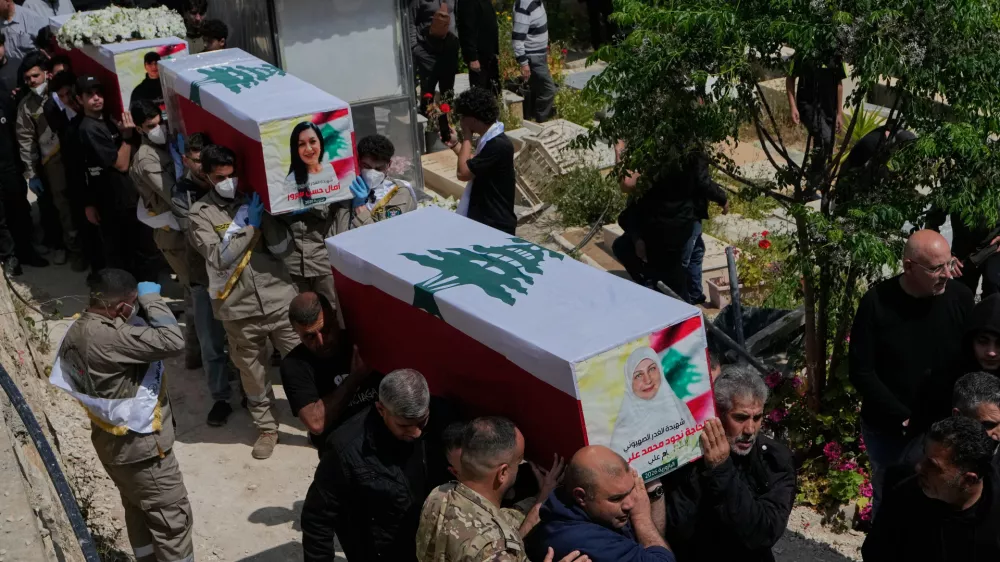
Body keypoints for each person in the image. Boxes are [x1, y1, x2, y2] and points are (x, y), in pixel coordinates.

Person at [51, 269, 193, 562]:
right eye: (132, 304)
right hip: (144, 456)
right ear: (122, 307)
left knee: (139, 514)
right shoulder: (111, 338)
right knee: (172, 526)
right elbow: (172, 340)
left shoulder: (79, 330)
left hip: (113, 448)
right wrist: (152, 299)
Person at [849, 229, 974, 515]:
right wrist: (902, 416)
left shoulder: (960, 297)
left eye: (948, 263)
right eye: (936, 268)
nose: (946, 274)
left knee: (941, 500)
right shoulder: (876, 303)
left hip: (944, 426)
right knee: (890, 497)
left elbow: (969, 361)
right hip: (889, 428)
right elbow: (861, 370)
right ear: (908, 267)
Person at [187, 144, 299, 459]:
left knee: (301, 364)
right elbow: (219, 257)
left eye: (232, 174)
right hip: (237, 307)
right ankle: (267, 428)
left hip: (278, 297)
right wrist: (251, 227)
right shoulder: (200, 214)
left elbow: (283, 249)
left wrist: (271, 217)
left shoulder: (254, 198)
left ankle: (313, 420)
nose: (228, 181)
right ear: (207, 177)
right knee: (253, 372)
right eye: (220, 176)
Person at [300, 369, 456, 562]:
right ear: (381, 410)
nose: (416, 433)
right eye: (404, 426)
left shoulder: (443, 419)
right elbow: (318, 517)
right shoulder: (346, 449)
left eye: (422, 422)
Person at [663, 365, 796, 562]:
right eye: (740, 418)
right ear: (717, 415)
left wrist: (722, 469)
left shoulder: (775, 460)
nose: (750, 429)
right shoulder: (689, 456)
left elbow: (763, 532)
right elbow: (677, 528)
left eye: (757, 418)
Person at [416, 416, 570, 562]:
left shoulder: (440, 495)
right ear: (502, 472)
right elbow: (495, 540)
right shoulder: (496, 551)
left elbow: (499, 522)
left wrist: (540, 499)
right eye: (518, 462)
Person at [862, 416, 1000, 561]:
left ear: (968, 480)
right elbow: (876, 553)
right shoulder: (905, 496)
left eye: (933, 466)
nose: (919, 467)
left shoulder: (995, 517)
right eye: (924, 455)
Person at [524, 445, 675, 562]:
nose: (630, 503)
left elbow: (649, 546)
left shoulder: (582, 510)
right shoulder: (586, 541)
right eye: (616, 498)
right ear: (581, 496)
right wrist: (641, 517)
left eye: (631, 490)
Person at [76, 75, 160, 281]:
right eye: (90, 95)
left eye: (99, 93)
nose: (96, 98)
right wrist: (127, 138)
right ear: (79, 99)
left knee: (143, 251)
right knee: (128, 254)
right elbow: (120, 164)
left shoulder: (105, 121)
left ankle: (145, 294)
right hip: (114, 202)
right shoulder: (89, 128)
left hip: (128, 197)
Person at [174, 132, 233, 426]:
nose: (199, 167)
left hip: (235, 276)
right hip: (203, 278)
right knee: (211, 344)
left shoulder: (231, 188)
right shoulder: (183, 193)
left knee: (241, 340)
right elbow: (200, 238)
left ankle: (248, 392)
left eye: (203, 160)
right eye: (195, 161)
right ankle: (221, 397)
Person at [280, 291, 381, 455]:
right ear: (296, 332)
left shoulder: (361, 339)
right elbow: (316, 423)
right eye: (310, 336)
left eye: (325, 330)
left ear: (334, 317)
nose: (321, 341)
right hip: (341, 453)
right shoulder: (294, 365)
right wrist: (354, 378)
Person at [16, 52, 80, 267]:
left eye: (35, 76)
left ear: (46, 74)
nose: (32, 81)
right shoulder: (26, 106)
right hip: (53, 162)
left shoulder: (62, 93)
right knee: (62, 208)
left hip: (77, 155)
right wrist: (31, 173)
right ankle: (71, 249)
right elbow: (25, 141)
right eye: (27, 79)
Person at [611, 148, 698, 302]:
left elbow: (627, 183)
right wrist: (637, 239)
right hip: (659, 229)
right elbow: (630, 215)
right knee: (622, 246)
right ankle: (653, 284)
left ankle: (687, 306)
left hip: (671, 231)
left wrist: (619, 149)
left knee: (675, 281)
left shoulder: (665, 162)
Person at [128, 99, 188, 286]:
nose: (159, 128)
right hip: (173, 230)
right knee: (195, 285)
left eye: (160, 122)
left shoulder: (166, 145)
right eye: (151, 126)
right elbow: (174, 197)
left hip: (181, 223)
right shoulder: (147, 160)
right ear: (139, 129)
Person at [445, 87, 516, 234]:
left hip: (495, 224)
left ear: (472, 118)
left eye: (463, 116)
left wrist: (466, 136)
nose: (461, 121)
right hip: (485, 220)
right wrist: (455, 145)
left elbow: (463, 173)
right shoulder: (491, 140)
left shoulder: (497, 144)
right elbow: (474, 163)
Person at [610, 347, 697, 464]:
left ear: (660, 370)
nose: (648, 380)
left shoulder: (678, 406)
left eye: (651, 369)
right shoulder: (622, 430)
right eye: (638, 376)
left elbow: (695, 446)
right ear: (629, 383)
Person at [786, 55, 847, 195]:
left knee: (827, 145)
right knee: (824, 139)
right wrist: (793, 107)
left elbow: (839, 84)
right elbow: (790, 78)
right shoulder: (804, 52)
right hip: (807, 106)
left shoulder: (835, 53)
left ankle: (817, 183)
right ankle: (813, 181)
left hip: (829, 109)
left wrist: (839, 113)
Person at [341, 134, 418, 230]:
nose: (372, 173)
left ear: (389, 165)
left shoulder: (399, 193)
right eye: (367, 166)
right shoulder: (346, 186)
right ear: (358, 162)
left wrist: (360, 207)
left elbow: (386, 236)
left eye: (379, 168)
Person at [686, 154, 728, 304]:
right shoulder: (694, 150)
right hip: (688, 212)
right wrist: (722, 198)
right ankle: (680, 300)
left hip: (687, 211)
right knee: (684, 257)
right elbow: (703, 181)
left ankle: (695, 294)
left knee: (697, 252)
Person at [409, 0, 459, 116]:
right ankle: (429, 126)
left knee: (448, 92)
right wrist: (415, 47)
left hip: (449, 50)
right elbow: (411, 21)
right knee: (427, 92)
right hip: (427, 51)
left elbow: (458, 16)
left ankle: (447, 125)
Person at [512, 0, 556, 122]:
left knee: (538, 88)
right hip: (533, 56)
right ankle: (541, 119)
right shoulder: (524, 6)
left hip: (540, 55)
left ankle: (532, 117)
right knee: (548, 90)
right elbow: (517, 40)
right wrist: (524, 63)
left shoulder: (538, 2)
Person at [456, 0, 500, 94]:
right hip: (478, 57)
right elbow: (466, 30)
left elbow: (492, 26)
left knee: (494, 92)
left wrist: (496, 52)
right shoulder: (467, 2)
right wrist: (472, 57)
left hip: (490, 55)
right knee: (479, 95)